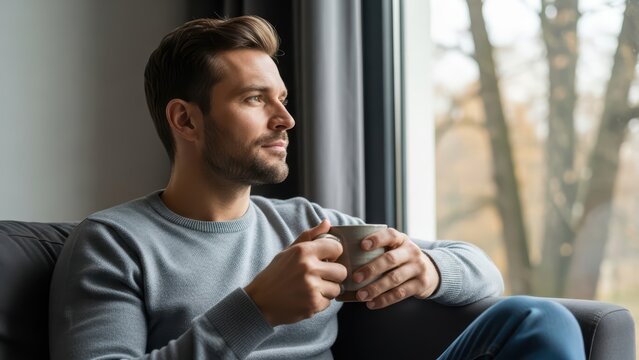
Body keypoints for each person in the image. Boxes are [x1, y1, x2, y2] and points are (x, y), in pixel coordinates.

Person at [49, 16, 585, 359]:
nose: (286, 119)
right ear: (185, 121)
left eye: (282, 98)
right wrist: (254, 311)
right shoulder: (114, 242)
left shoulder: (303, 223)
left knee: (540, 320)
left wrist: (428, 267)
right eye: (256, 99)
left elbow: (483, 271)